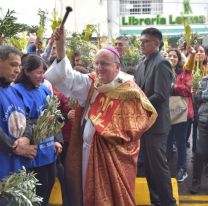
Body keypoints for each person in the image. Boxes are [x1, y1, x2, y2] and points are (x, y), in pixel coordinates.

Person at [44, 27, 157, 206]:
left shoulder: (129, 91)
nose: (99, 68)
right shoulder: (93, 82)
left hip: (113, 157)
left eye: (104, 64)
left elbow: (137, 125)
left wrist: (103, 128)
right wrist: (61, 46)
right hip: (88, 152)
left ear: (117, 66)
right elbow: (69, 79)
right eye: (96, 63)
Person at [13, 54, 62, 206]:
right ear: (26, 71)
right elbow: (22, 121)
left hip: (49, 154)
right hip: (32, 156)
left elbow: (54, 115)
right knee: (35, 197)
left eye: (43, 73)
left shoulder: (44, 90)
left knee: (47, 193)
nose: (42, 77)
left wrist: (56, 140)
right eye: (38, 73)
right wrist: (41, 122)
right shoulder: (16, 91)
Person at [135, 27, 176, 206]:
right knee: (150, 169)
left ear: (156, 43)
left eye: (145, 41)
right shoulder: (141, 64)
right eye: (141, 41)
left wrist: (137, 105)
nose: (141, 44)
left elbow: (160, 95)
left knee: (158, 168)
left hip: (157, 125)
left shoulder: (162, 63)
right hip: (144, 124)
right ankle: (156, 201)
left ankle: (168, 202)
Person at [0, 45, 37, 180]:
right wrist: (14, 148)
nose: (17, 70)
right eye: (13, 65)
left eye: (19, 66)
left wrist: (26, 137)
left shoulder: (15, 91)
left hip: (18, 169)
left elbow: (26, 119)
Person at [166, 48, 194, 182]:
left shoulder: (184, 72)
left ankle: (182, 169)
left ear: (178, 59)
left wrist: (174, 86)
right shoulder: (163, 71)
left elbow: (189, 90)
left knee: (181, 142)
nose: (171, 58)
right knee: (167, 140)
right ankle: (166, 168)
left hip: (180, 111)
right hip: (166, 111)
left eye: (174, 56)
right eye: (169, 55)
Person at [190, 45, 208, 194]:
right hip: (204, 120)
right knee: (200, 152)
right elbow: (197, 98)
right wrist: (200, 94)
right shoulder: (204, 79)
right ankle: (196, 182)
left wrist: (203, 96)